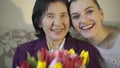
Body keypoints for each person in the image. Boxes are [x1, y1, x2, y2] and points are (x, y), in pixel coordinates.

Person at [13, 0, 101, 68]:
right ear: (39, 22)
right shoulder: (22, 52)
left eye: (63, 15)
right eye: (50, 16)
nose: (58, 23)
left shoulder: (87, 51)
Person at [69, 0, 120, 68]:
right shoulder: (75, 45)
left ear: (101, 13)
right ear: (72, 25)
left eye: (89, 11)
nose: (84, 21)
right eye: (76, 16)